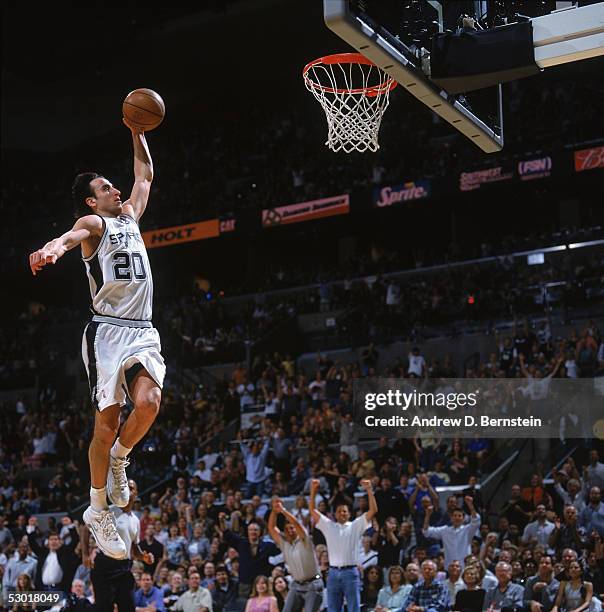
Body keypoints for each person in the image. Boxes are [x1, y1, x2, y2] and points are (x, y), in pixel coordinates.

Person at [28, 119, 165, 559]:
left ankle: (121, 460)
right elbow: (72, 236)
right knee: (104, 425)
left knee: (149, 404)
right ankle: (96, 507)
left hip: (142, 329)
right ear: (92, 199)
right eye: (107, 187)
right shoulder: (95, 221)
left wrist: (137, 130)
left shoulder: (130, 217)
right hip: (106, 332)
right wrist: (54, 248)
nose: (116, 189)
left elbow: (144, 175)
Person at [82, 479, 154, 612]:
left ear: (136, 493)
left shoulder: (135, 520)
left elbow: (134, 547)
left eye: (131, 488)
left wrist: (143, 556)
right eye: (125, 487)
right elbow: (86, 528)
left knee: (128, 607)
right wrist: (85, 553)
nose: (127, 490)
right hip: (104, 565)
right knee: (104, 608)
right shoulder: (108, 511)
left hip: (124, 567)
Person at [310, 478, 377, 612]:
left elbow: (373, 510)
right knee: (333, 608)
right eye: (339, 511)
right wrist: (313, 491)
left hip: (350, 572)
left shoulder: (356, 525)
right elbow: (312, 510)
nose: (342, 513)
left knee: (353, 607)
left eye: (345, 511)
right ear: (335, 514)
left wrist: (370, 490)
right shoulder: (329, 526)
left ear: (349, 514)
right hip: (333, 572)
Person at [267, 498, 323, 612]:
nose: (290, 531)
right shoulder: (284, 543)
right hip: (296, 584)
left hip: (313, 583)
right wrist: (274, 511)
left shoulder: (305, 539)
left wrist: (283, 511)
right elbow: (272, 528)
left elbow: (297, 524)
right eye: (287, 529)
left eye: (292, 528)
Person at [25, 515, 80, 595]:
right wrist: (31, 527)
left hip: (60, 589)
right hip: (43, 590)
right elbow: (32, 544)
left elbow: (75, 540)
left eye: (56, 539)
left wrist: (69, 525)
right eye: (51, 539)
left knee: (58, 608)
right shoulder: (42, 553)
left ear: (60, 542)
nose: (54, 541)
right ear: (48, 542)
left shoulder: (65, 552)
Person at [422, 496, 480, 569]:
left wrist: (471, 506)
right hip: (449, 567)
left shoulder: (467, 530)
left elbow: (476, 521)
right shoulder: (445, 530)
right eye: (455, 516)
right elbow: (426, 532)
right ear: (451, 518)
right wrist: (427, 515)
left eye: (459, 516)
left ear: (463, 518)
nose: (457, 518)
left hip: (465, 567)